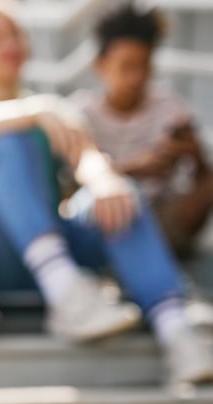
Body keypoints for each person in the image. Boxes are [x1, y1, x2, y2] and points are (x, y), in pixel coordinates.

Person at [0, 6, 213, 384]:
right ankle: (67, 291)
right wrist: (35, 110)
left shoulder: (54, 111)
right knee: (10, 143)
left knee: (120, 194)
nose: (10, 45)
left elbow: (87, 157)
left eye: (15, 35)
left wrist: (105, 180)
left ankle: (177, 333)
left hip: (56, 253)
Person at [73, 3, 213, 258]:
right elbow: (71, 188)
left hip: (163, 217)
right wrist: (135, 168)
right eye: (126, 67)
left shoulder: (171, 108)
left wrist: (194, 154)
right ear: (100, 65)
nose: (136, 77)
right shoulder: (80, 113)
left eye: (144, 66)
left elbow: (202, 179)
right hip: (106, 217)